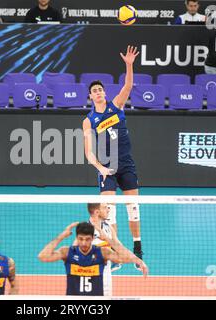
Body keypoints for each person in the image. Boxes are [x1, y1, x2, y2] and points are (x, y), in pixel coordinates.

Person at [82, 45, 143, 272]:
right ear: (90, 96)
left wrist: (129, 64)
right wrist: (101, 168)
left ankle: (137, 247)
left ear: (104, 93)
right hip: (107, 166)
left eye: (100, 89)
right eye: (94, 90)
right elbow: (88, 152)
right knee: (109, 211)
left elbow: (128, 85)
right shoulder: (89, 120)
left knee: (133, 208)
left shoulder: (116, 105)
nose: (98, 92)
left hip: (126, 164)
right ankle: (116, 252)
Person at [38, 222, 148, 296]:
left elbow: (124, 258)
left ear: (92, 239)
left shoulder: (101, 253)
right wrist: (61, 236)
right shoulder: (68, 252)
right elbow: (43, 256)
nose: (84, 243)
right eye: (81, 239)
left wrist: (108, 239)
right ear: (76, 238)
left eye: (87, 239)